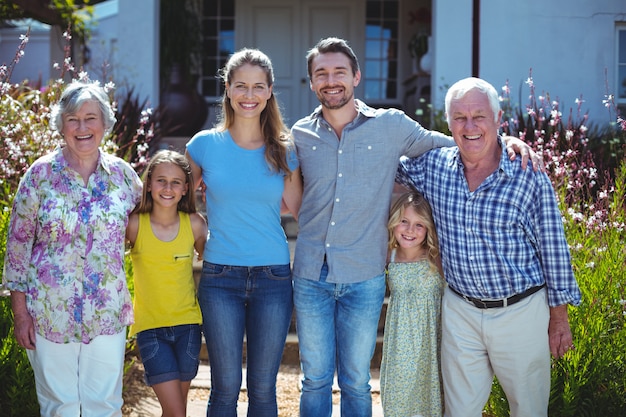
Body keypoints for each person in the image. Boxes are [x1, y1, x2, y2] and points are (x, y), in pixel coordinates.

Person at [290, 37, 539, 417]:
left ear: (356, 76)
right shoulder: (299, 136)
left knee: (356, 380)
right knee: (315, 379)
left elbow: (455, 145)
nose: (331, 80)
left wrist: (503, 142)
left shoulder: (391, 125)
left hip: (364, 275)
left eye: (339, 71)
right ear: (311, 82)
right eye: (321, 73)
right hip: (310, 273)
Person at [396, 77, 582, 417]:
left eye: (479, 116)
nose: (470, 127)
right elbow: (380, 167)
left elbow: (554, 247)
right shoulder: (434, 167)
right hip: (460, 311)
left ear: (499, 120)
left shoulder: (527, 173)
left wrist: (559, 317)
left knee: (528, 409)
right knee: (459, 411)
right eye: (460, 118)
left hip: (520, 312)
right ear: (448, 123)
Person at [2, 80, 143, 416]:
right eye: (73, 119)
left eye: (91, 118)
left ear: (105, 124)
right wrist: (20, 314)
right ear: (61, 125)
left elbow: (150, 228)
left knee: (104, 404)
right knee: (58, 405)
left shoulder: (124, 178)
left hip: (106, 312)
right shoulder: (39, 176)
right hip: (49, 312)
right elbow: (17, 247)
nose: (82, 127)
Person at [184, 48, 302, 417]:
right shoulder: (202, 146)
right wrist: (203, 230)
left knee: (264, 389)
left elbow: (295, 208)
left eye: (257, 87)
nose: (248, 96)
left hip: (273, 277)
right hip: (220, 276)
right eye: (240, 86)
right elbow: (182, 206)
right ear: (228, 89)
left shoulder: (285, 150)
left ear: (269, 92)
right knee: (224, 388)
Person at [126, 149, 208, 417]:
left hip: (188, 328)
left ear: (186, 189)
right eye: (161, 180)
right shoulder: (134, 224)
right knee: (176, 412)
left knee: (175, 412)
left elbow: (212, 259)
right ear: (148, 184)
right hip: (151, 329)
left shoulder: (195, 225)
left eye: (176, 182)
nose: (168, 188)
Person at [380, 191, 444, 417]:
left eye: (419, 225)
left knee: (430, 394)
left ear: (428, 229)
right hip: (400, 340)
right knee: (400, 393)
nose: (409, 230)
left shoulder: (435, 257)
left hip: (431, 337)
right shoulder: (389, 255)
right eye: (404, 221)